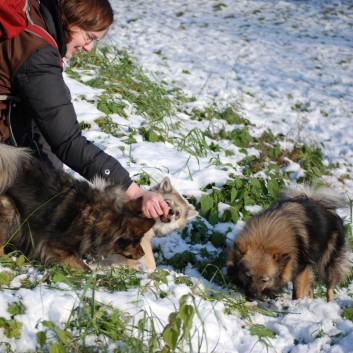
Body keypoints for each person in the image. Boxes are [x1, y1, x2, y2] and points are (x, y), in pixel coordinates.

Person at [0, 0, 169, 219]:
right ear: (71, 20)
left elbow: (50, 120)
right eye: (89, 37)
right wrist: (133, 191)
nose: (89, 48)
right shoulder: (37, 54)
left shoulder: (32, 14)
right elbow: (68, 141)